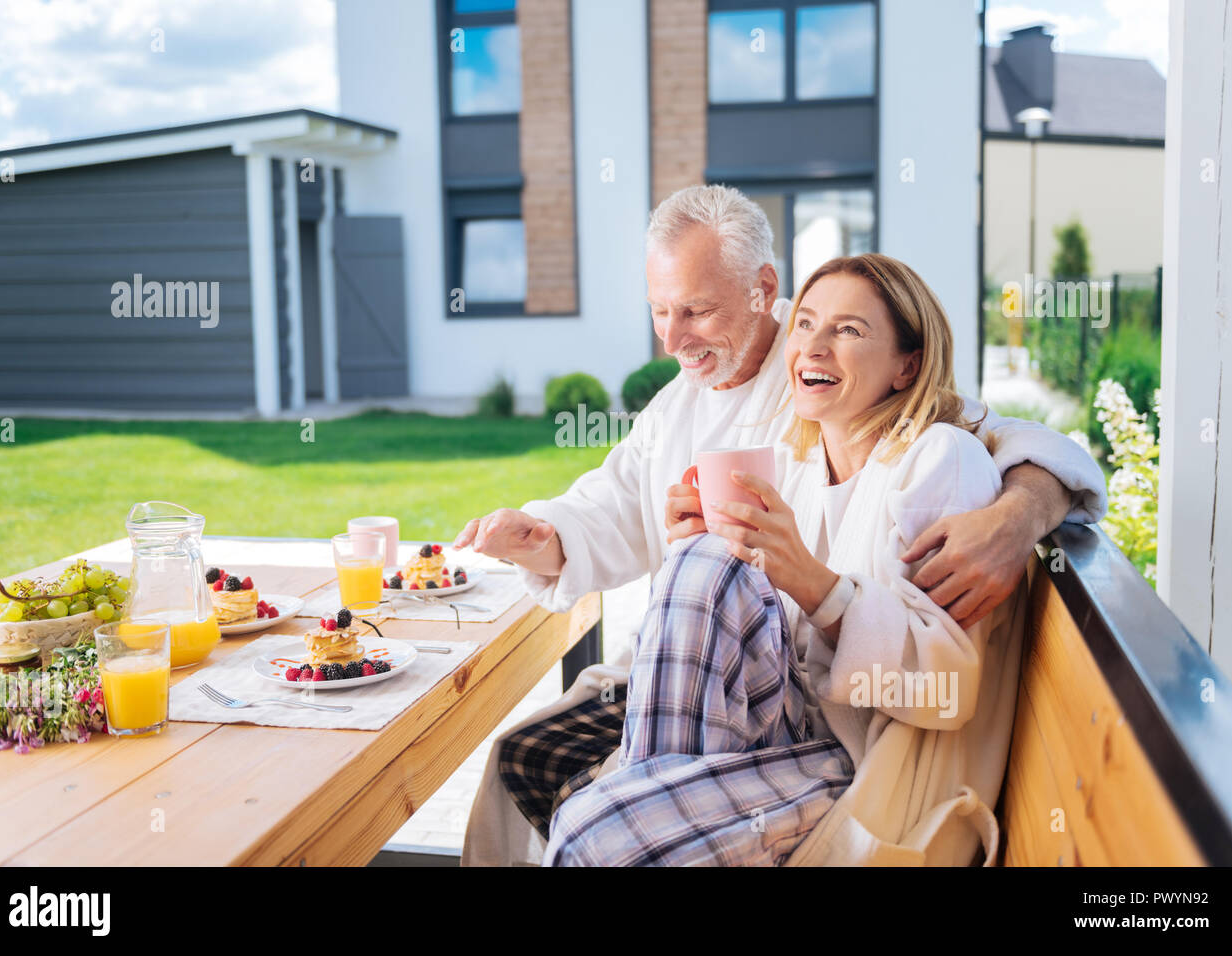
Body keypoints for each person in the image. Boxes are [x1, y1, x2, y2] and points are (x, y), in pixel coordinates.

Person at [458, 185, 1105, 867]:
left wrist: (1019, 513)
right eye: (659, 312)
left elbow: (998, 437)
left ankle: (637, 807)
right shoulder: (708, 407)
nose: (674, 338)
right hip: (730, 681)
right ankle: (651, 802)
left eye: (697, 311)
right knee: (526, 754)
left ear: (765, 289)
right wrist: (547, 536)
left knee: (593, 815)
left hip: (836, 725)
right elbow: (616, 501)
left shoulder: (857, 389)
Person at [546, 252, 1020, 865]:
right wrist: (705, 544)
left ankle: (642, 793)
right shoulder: (794, 465)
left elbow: (948, 688)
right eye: (804, 323)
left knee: (590, 829)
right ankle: (649, 791)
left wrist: (816, 585)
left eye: (848, 330)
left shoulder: (940, 461)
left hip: (872, 763)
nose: (813, 347)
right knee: (704, 564)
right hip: (792, 728)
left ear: (908, 365)